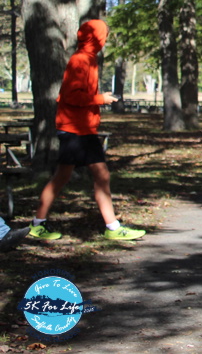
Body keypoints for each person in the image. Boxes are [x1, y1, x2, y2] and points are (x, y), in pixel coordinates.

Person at [27, 19, 146, 242]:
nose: (105, 40)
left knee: (92, 175)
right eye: (104, 36)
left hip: (84, 129)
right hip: (74, 129)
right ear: (95, 37)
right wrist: (101, 99)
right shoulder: (80, 60)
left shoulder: (89, 59)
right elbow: (70, 96)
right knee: (70, 177)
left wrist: (98, 100)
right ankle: (38, 224)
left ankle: (111, 227)